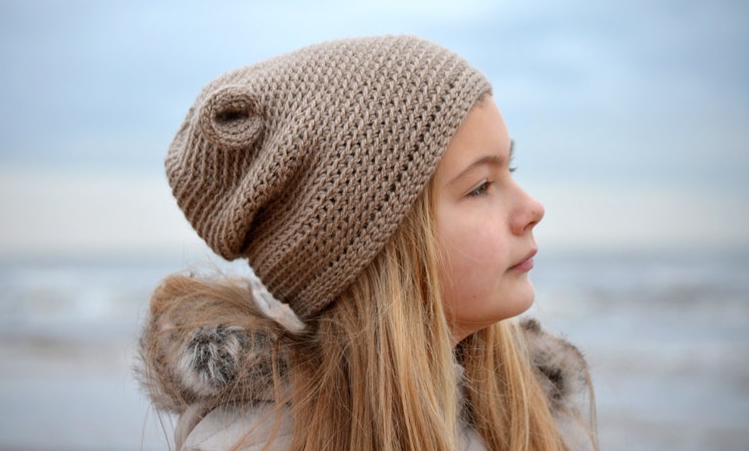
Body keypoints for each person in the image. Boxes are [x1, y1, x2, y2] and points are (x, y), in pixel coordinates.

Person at [137, 35, 598, 451]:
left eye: (509, 172)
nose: (532, 208)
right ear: (376, 251)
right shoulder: (256, 442)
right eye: (480, 186)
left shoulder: (535, 420)